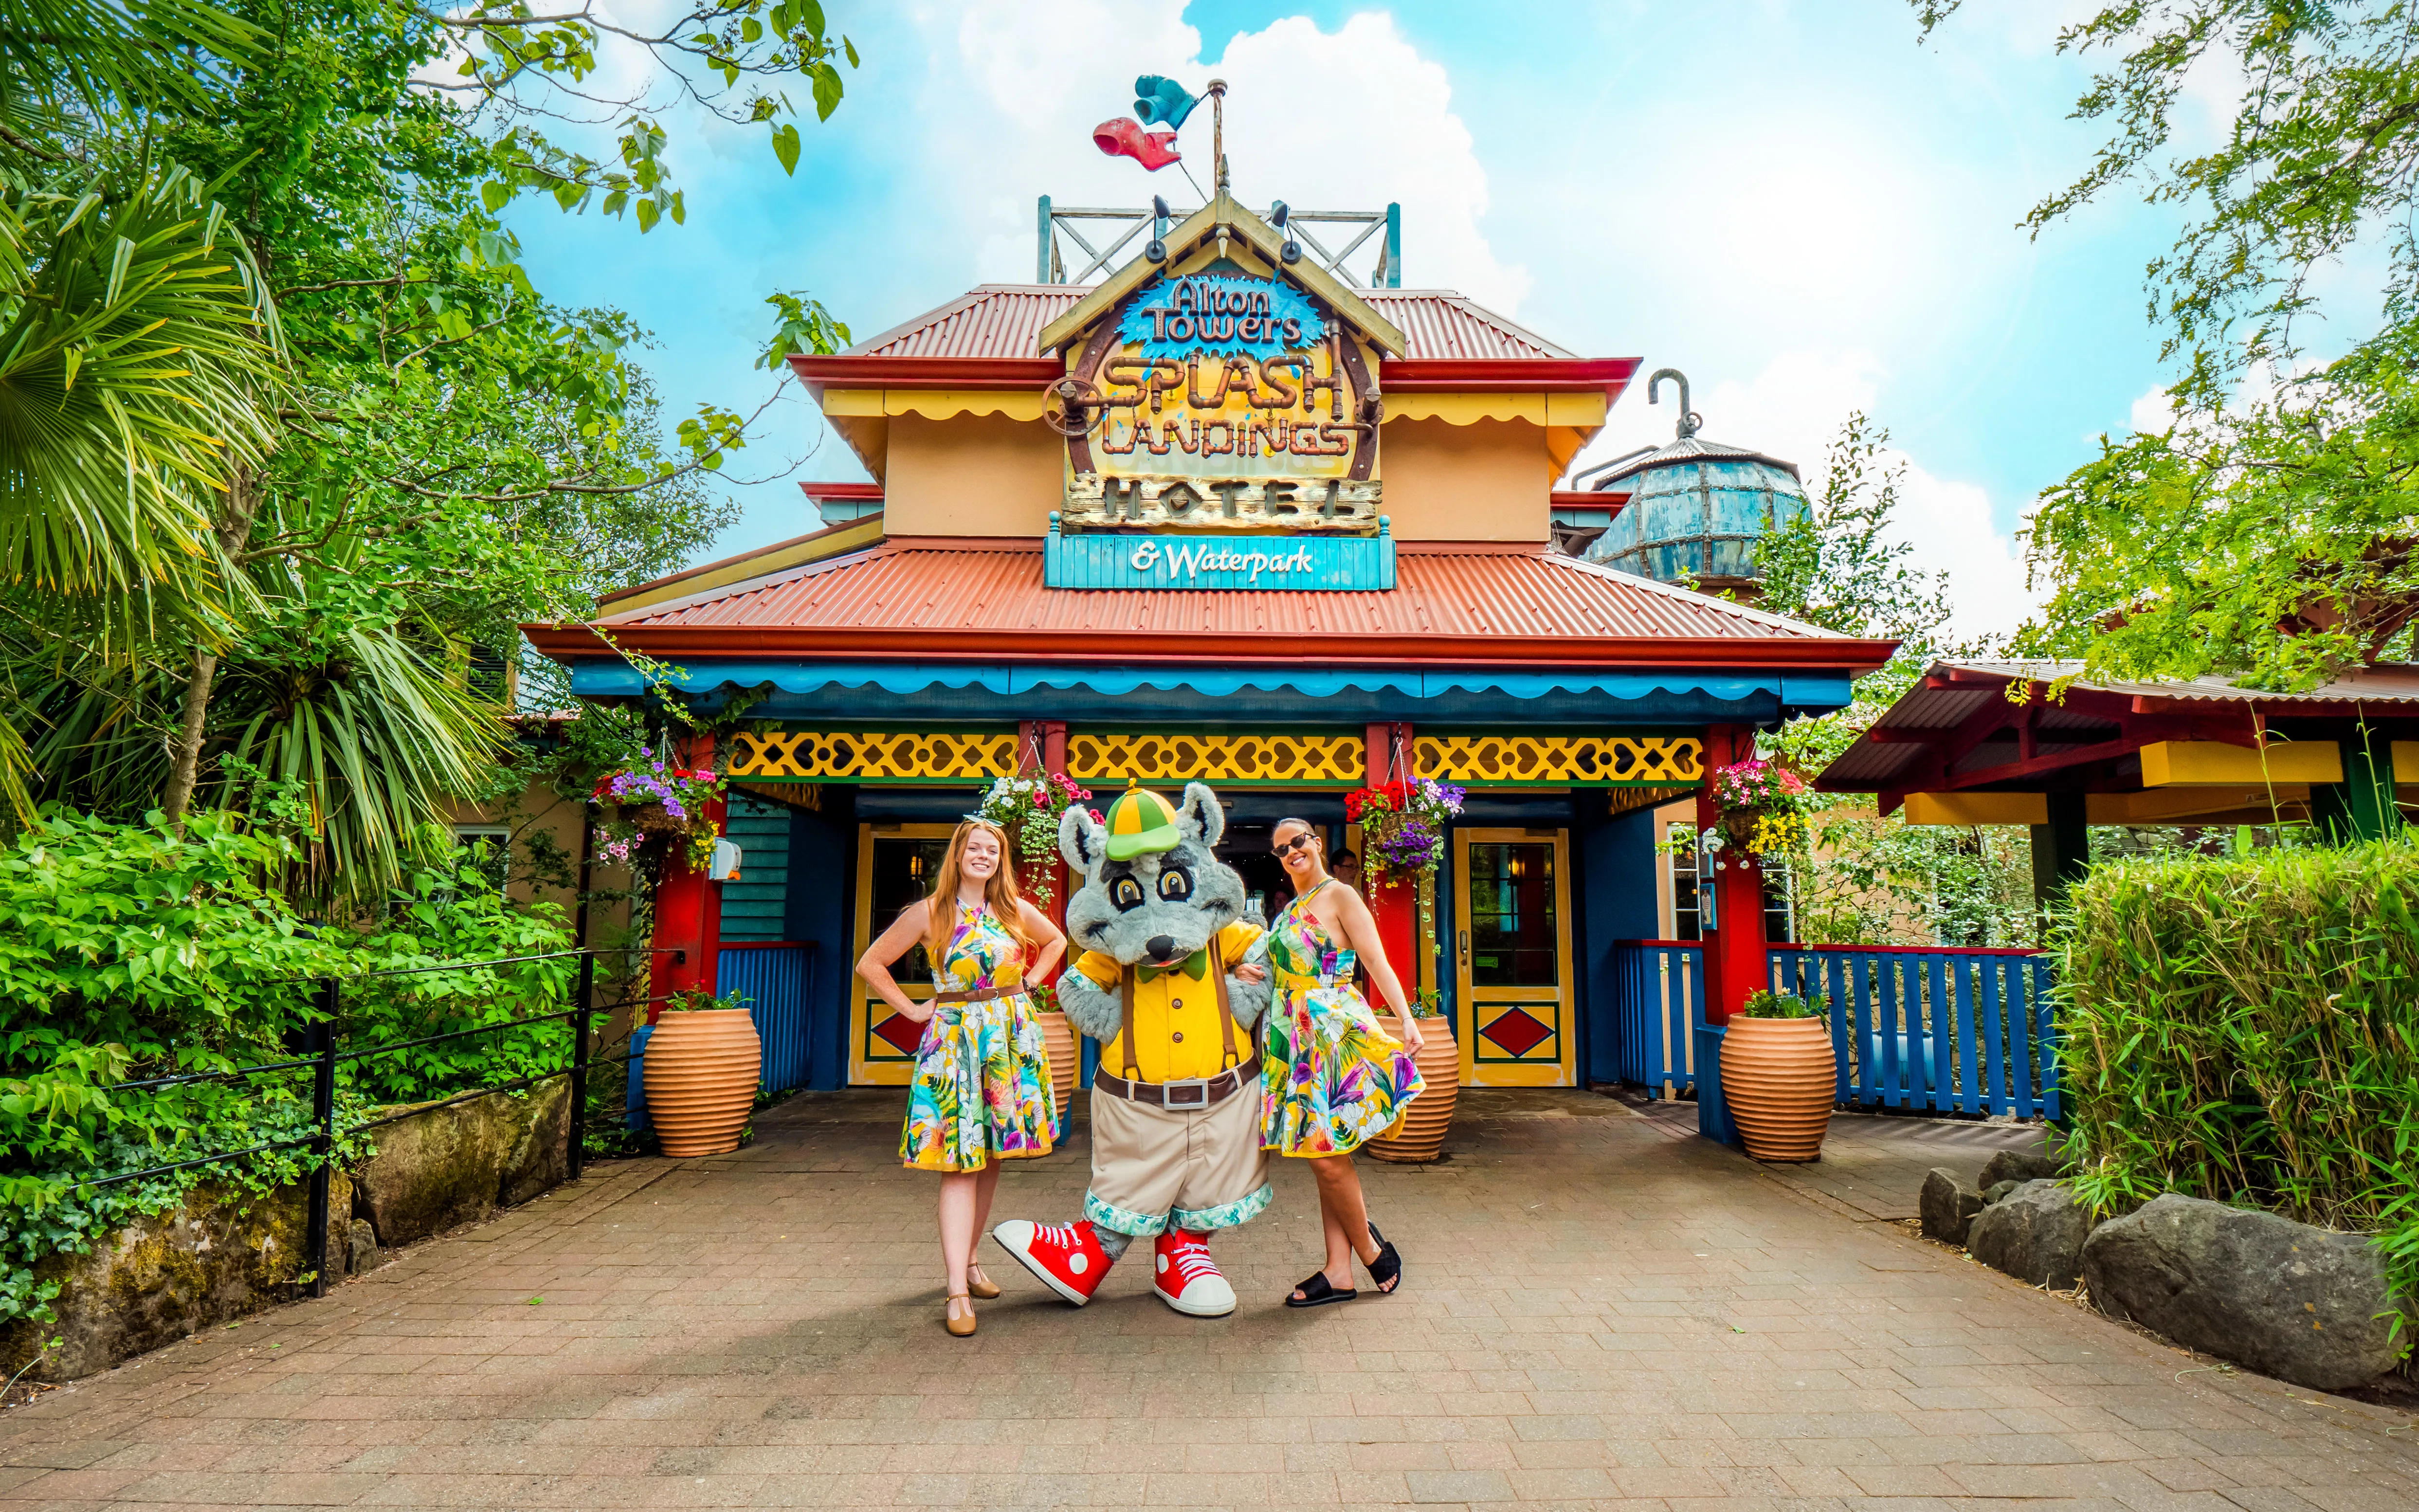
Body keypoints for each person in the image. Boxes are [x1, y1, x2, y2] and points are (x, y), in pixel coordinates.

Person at [857, 817, 1065, 1336]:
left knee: (991, 1155)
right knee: (960, 1162)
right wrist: (911, 1009)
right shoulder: (931, 912)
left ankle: (971, 1262)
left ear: (1000, 860)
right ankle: (955, 1288)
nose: (983, 855)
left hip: (1007, 1038)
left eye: (992, 849)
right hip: (955, 1041)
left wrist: (1032, 982)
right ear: (956, 855)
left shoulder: (1014, 909)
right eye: (973, 847)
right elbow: (872, 964)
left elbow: (1058, 941)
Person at [1260, 818, 1424, 1307]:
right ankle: (1338, 1271)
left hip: (1330, 1033)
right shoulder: (1292, 907)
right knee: (1323, 1153)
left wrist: (1406, 1019)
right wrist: (1258, 968)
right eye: (1281, 849)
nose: (1291, 851)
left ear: (1316, 842)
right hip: (1293, 1036)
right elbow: (1288, 966)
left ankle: (1371, 1251)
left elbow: (1376, 960)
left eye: (1298, 841)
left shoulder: (1340, 895)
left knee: (1326, 1156)